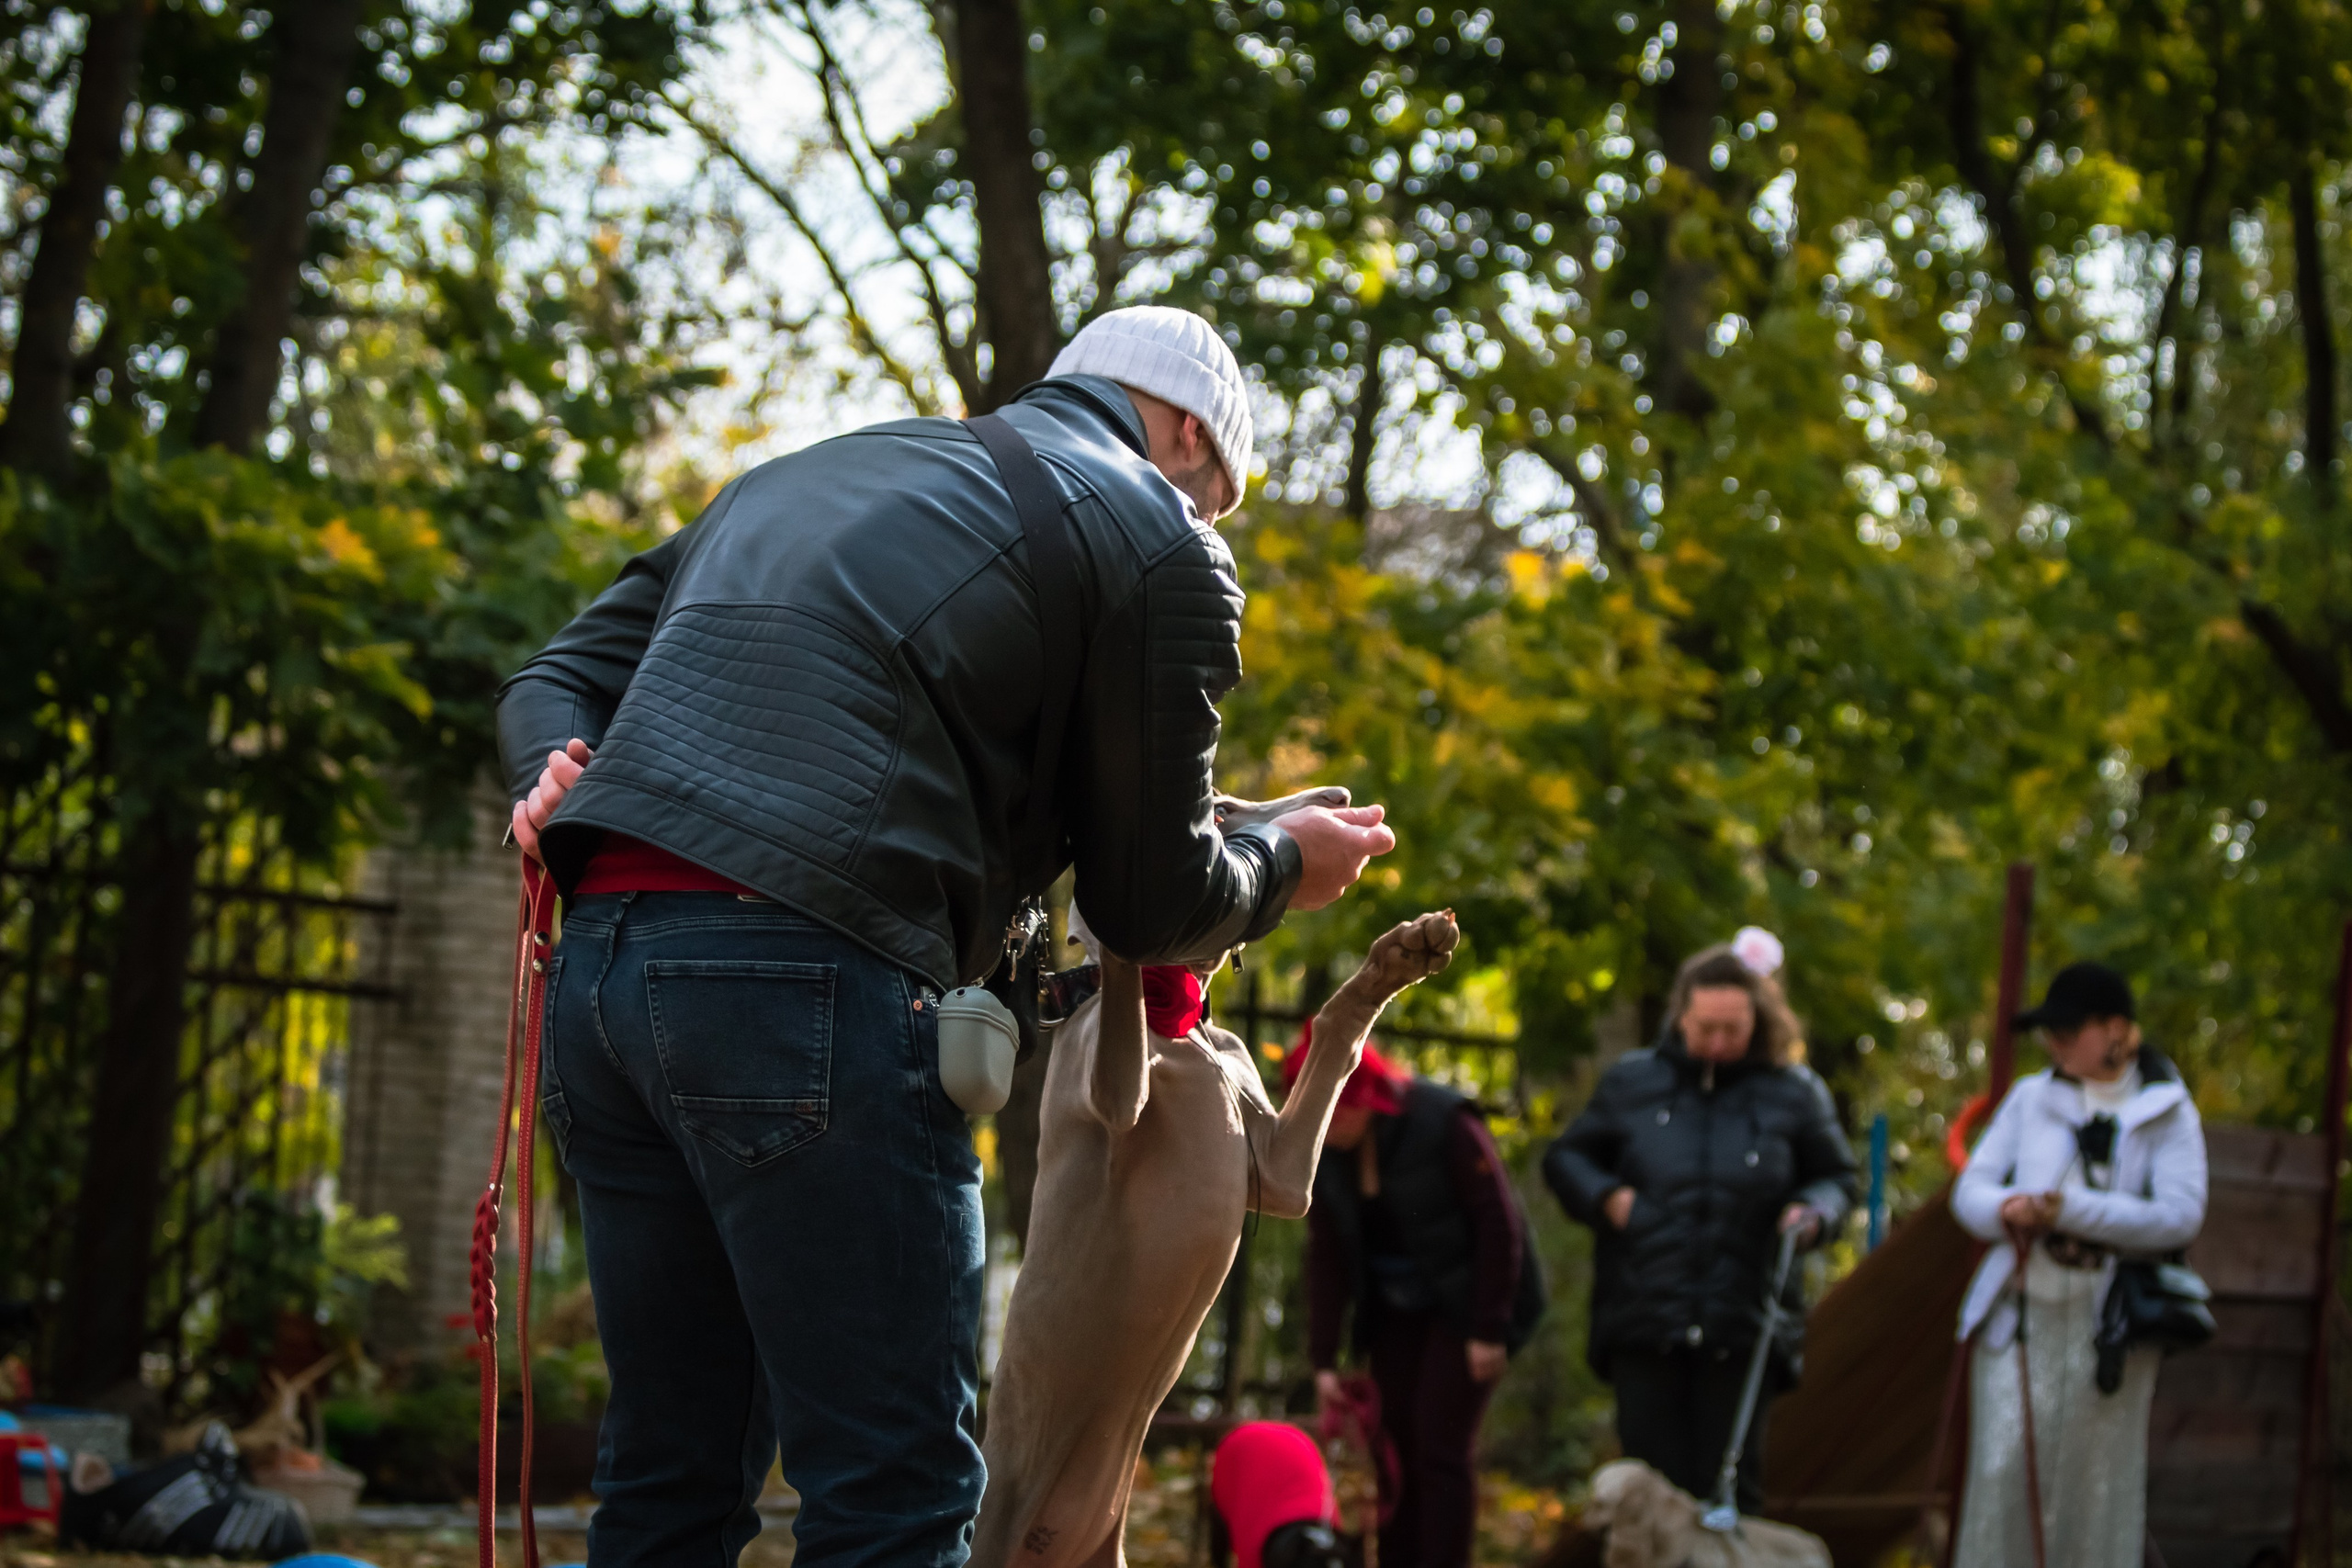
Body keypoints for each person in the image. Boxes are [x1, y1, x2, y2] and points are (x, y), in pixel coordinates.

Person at [495, 305, 1398, 1568]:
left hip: (604, 974)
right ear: (1189, 432)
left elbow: (560, 668)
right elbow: (1152, 901)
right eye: (1221, 497)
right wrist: (1286, 862)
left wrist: (551, 767)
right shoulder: (1156, 533)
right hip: (810, 977)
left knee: (669, 1468)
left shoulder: (803, 476)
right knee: (895, 1487)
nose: (1211, 525)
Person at [973, 900, 1458, 1568]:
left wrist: (1359, 1000)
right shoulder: (1091, 1022)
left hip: (1108, 1475)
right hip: (1033, 1467)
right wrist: (1127, 942)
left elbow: (1286, 1182)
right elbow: (1120, 1101)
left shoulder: (1221, 1051)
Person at [1541, 931, 1856, 1510]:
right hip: (1644, 1315)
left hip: (1744, 1322)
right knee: (1647, 1499)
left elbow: (1838, 1179)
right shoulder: (1632, 1082)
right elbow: (1567, 1158)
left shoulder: (1794, 1093)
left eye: (1732, 1030)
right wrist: (1609, 1198)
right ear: (1680, 1016)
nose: (1716, 1042)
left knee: (1728, 1493)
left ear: (1759, 1021)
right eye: (1704, 1027)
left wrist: (1813, 1213)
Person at [1949, 961, 2207, 1568]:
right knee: (2000, 1475)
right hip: (2019, 1316)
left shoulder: (2169, 1110)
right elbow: (1971, 1192)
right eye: (2049, 1031)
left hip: (2108, 1329)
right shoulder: (2030, 1098)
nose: (2054, 1042)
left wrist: (2070, 1209)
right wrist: (2011, 1207)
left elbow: (2179, 1216)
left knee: (2096, 1488)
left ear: (2117, 1029)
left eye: (2069, 1029)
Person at [1302, 1038, 1544, 1568]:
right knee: (1392, 1449)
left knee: (1439, 1447)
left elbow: (1498, 1222)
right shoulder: (1327, 1156)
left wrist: (1489, 1327)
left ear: (1364, 1097)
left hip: (1468, 1304)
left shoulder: (1442, 1121)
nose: (1325, 1121)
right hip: (1395, 1310)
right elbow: (1328, 1258)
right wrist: (1324, 1360)